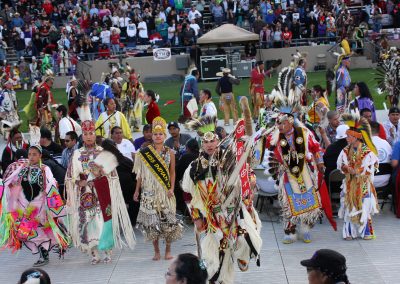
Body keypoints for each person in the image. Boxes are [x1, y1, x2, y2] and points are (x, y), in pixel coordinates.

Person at [182, 109, 262, 283]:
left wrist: (250, 183)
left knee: (243, 239)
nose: (210, 145)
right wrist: (196, 217)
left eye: (213, 141)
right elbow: (187, 194)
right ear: (201, 144)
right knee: (218, 253)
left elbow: (248, 175)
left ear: (218, 141)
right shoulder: (194, 168)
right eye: (206, 142)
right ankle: (220, 278)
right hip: (212, 216)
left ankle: (243, 256)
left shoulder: (231, 159)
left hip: (233, 210)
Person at [65, 120, 136, 264]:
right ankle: (94, 253)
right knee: (89, 222)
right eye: (85, 134)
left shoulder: (103, 152)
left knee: (104, 221)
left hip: (103, 191)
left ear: (95, 134)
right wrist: (80, 182)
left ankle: (108, 251)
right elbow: (69, 177)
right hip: (86, 194)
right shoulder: (77, 154)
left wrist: (103, 173)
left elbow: (114, 175)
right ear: (82, 136)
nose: (89, 136)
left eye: (91, 133)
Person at [0, 145, 70, 267]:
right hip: (25, 207)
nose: (31, 157)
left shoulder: (44, 169)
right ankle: (44, 253)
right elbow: (13, 181)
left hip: (40, 206)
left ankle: (44, 255)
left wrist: (50, 201)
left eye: (34, 154)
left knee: (38, 230)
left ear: (40, 156)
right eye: (30, 154)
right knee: (25, 232)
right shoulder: (22, 168)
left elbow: (50, 184)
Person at [265, 107, 325, 244]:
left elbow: (316, 148)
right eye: (278, 123)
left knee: (307, 199)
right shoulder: (274, 136)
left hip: (304, 173)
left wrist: (320, 162)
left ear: (291, 122)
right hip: (287, 173)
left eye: (282, 123)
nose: (279, 126)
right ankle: (290, 231)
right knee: (288, 202)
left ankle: (305, 229)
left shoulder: (304, 133)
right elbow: (265, 146)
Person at [133, 116, 183, 261]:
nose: (158, 136)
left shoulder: (170, 153)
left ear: (164, 136)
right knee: (152, 223)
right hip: (149, 191)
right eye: (155, 134)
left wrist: (172, 188)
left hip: (165, 190)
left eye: (160, 134)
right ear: (151, 136)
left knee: (168, 221)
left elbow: (172, 172)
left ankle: (168, 250)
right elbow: (140, 174)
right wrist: (137, 190)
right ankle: (156, 251)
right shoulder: (144, 153)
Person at [338, 113, 379, 240]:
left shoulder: (367, 152)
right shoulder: (345, 150)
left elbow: (373, 166)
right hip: (350, 183)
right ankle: (349, 232)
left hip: (363, 184)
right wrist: (346, 168)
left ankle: (367, 231)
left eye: (349, 136)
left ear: (356, 137)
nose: (347, 138)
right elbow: (340, 165)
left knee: (364, 205)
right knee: (349, 205)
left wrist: (357, 171)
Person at [101, 139, 140, 227]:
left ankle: (131, 221)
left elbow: (136, 176)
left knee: (135, 192)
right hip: (110, 192)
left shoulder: (125, 160)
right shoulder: (101, 163)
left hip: (127, 190)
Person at [370, 121, 392, 188]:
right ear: (379, 131)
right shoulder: (386, 143)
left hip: (369, 181)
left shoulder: (363, 144)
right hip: (386, 180)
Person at [335, 40, 352, 114]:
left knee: (347, 110)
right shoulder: (341, 71)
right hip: (342, 93)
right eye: (349, 61)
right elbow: (338, 83)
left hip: (347, 92)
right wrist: (345, 91)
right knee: (341, 111)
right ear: (344, 62)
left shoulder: (346, 70)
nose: (350, 62)